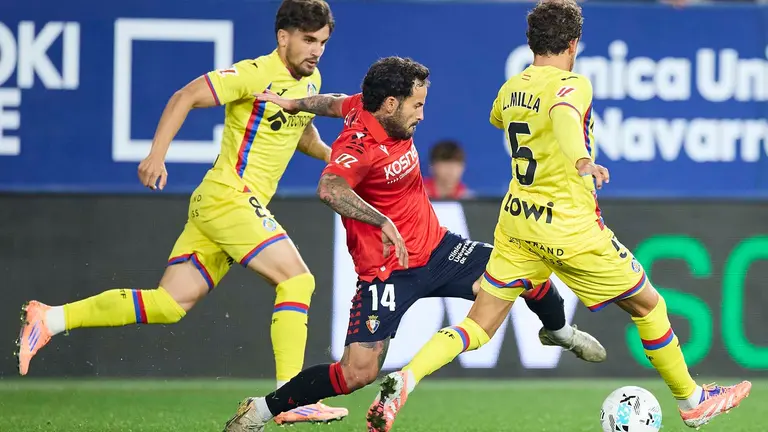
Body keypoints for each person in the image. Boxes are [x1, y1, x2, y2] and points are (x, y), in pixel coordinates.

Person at [366, 2, 752, 431]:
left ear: (531, 43)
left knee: (479, 323)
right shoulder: (573, 84)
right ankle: (693, 401)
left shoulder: (512, 87)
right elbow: (565, 116)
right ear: (573, 44)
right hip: (570, 228)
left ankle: (407, 376)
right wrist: (582, 158)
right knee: (649, 305)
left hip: (517, 224)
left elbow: (499, 117)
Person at [221, 56, 606, 432]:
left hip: (438, 250)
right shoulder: (357, 145)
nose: (422, 115)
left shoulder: (363, 106)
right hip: (385, 272)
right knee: (358, 373)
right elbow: (329, 188)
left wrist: (292, 103)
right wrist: (381, 219)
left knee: (522, 272)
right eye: (416, 105)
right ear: (391, 104)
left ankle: (560, 332)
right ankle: (259, 410)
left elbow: (332, 102)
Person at [15, 0, 348, 425]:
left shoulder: (310, 79)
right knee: (298, 279)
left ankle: (52, 318)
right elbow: (185, 96)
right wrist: (156, 155)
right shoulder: (253, 73)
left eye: (321, 42)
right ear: (283, 37)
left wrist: (330, 154)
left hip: (227, 207)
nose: (316, 50)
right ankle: (290, 396)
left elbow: (298, 132)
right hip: (228, 196)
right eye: (307, 40)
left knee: (169, 304)